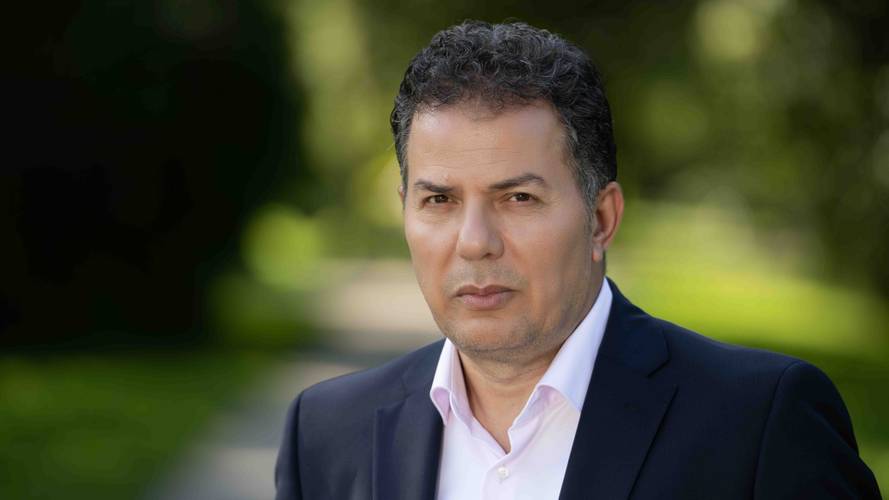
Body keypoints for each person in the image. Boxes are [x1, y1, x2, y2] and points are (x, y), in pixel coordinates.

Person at [274, 20, 881, 499]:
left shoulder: (760, 426)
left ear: (601, 219)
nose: (474, 241)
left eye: (518, 198)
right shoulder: (324, 435)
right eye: (440, 200)